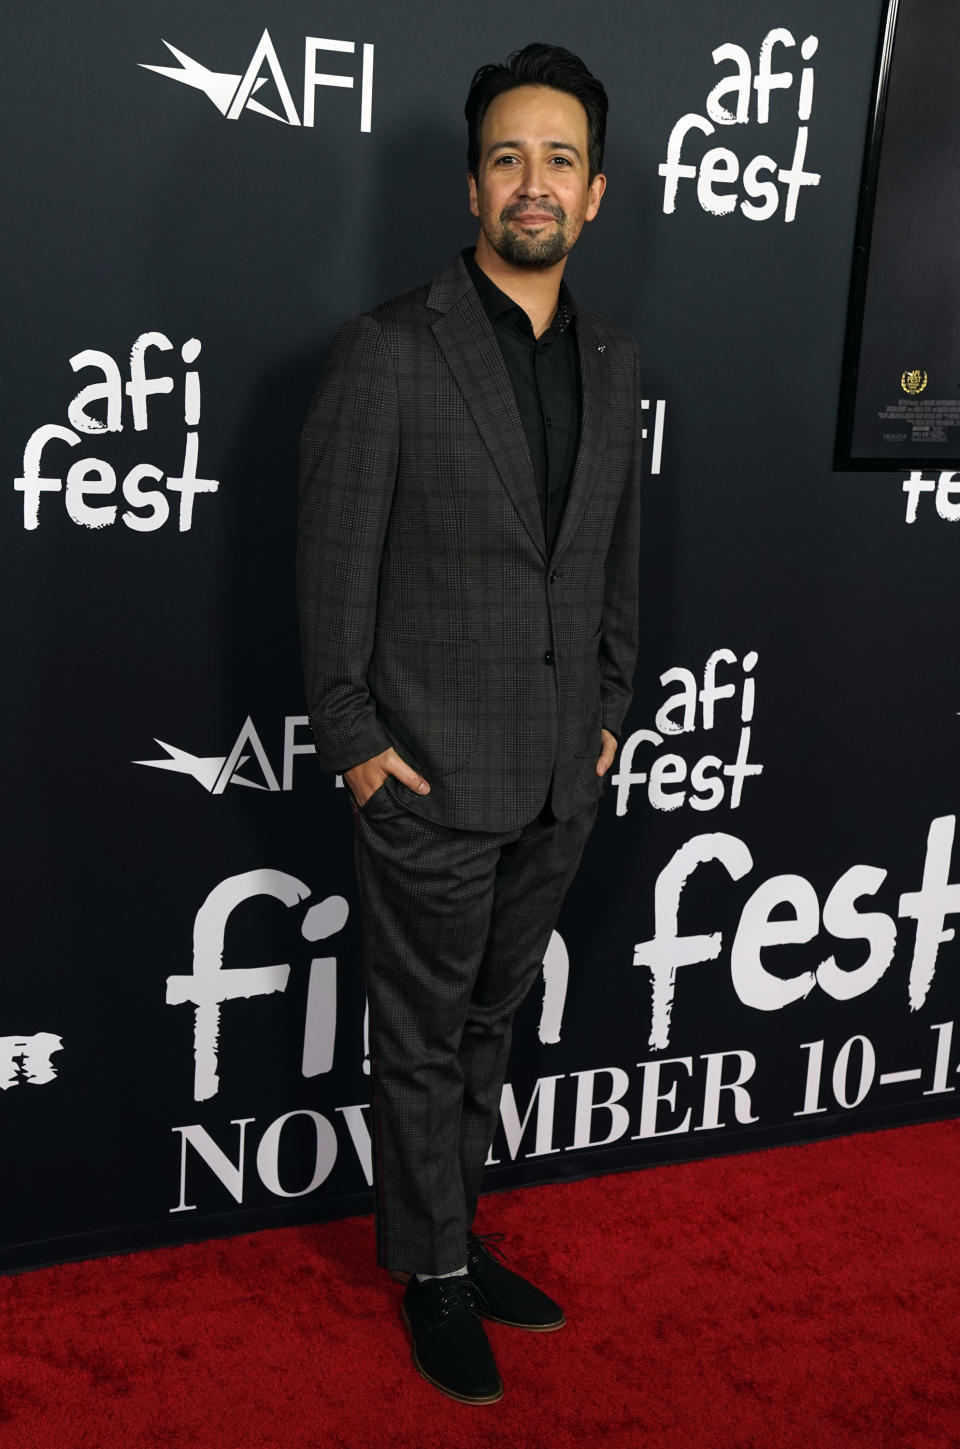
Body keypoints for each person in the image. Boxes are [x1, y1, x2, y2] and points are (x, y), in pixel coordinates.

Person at [297, 41, 642, 1405]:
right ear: (472, 186)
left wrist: (612, 710)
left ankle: (454, 1234)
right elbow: (329, 575)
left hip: (561, 771)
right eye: (509, 157)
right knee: (423, 1033)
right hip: (426, 772)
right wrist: (359, 747)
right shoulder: (391, 351)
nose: (534, 181)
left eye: (560, 158)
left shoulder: (616, 358)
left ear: (597, 193)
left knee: (493, 1023)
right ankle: (432, 1274)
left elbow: (616, 559)